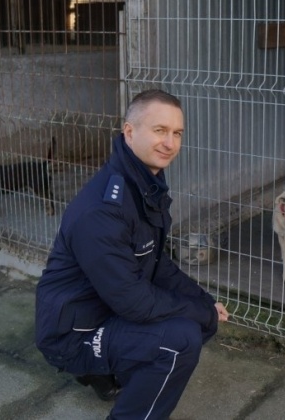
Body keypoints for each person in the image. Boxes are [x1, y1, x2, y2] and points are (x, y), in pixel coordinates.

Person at [35, 89, 229, 419]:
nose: (170, 143)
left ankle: (109, 374)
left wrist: (203, 301)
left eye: (177, 133)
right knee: (179, 340)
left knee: (198, 320)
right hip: (72, 333)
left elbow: (157, 264)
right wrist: (200, 312)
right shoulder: (103, 210)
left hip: (104, 309)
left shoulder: (143, 186)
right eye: (159, 130)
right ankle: (99, 373)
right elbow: (134, 302)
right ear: (129, 132)